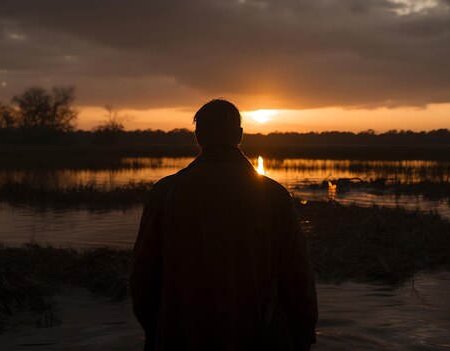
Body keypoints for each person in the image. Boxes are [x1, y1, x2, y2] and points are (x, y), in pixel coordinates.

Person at [130, 99, 318, 351]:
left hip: (180, 337)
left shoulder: (164, 192)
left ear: (197, 137)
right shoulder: (274, 195)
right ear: (239, 135)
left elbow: (143, 275)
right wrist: (304, 332)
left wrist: (157, 331)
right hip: (258, 338)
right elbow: (298, 277)